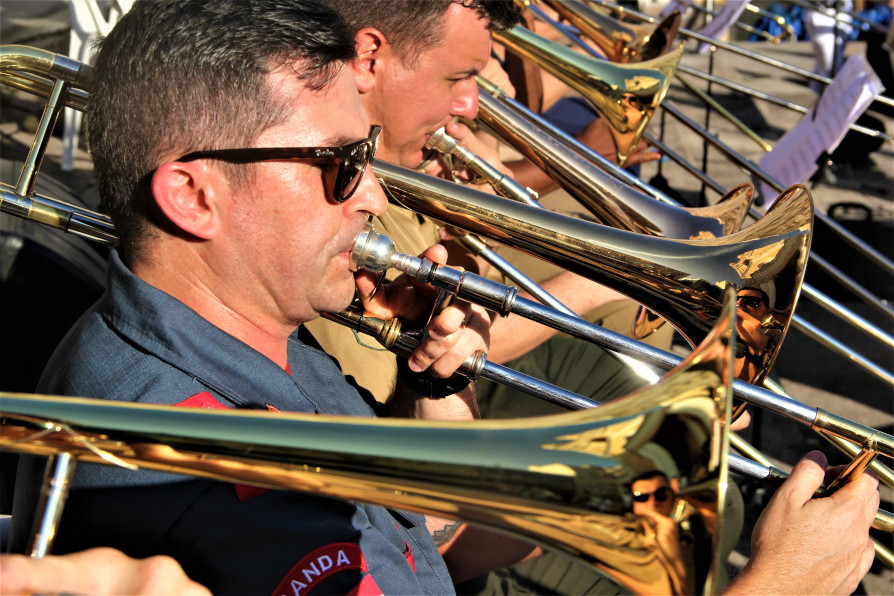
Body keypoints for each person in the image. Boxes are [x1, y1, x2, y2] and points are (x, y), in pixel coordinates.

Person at [9, 1, 496, 593]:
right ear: (193, 197)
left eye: (365, 157)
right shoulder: (228, 486)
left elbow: (423, 532)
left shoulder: (261, 334)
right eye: (341, 164)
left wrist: (429, 378)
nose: (374, 198)